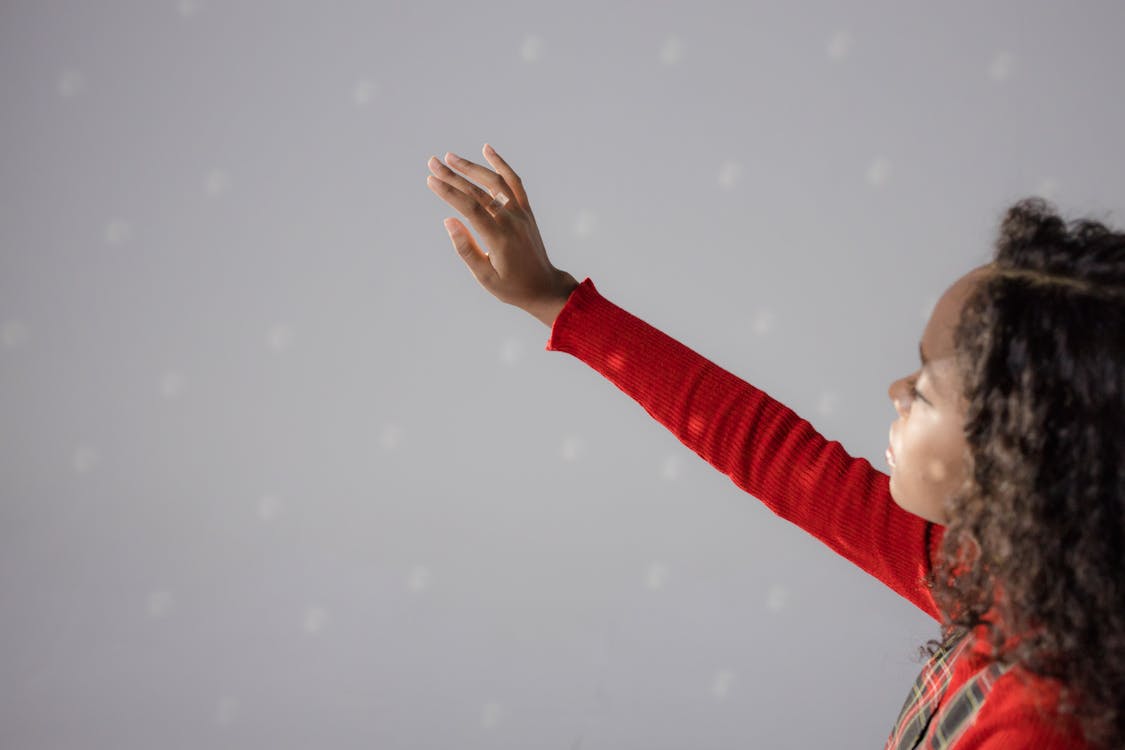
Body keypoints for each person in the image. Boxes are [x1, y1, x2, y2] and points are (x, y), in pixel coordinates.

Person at [425, 144, 1124, 749]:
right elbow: (771, 451)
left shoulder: (1046, 724)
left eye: (925, 390)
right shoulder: (1006, 579)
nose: (894, 390)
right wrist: (553, 298)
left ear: (1022, 451)